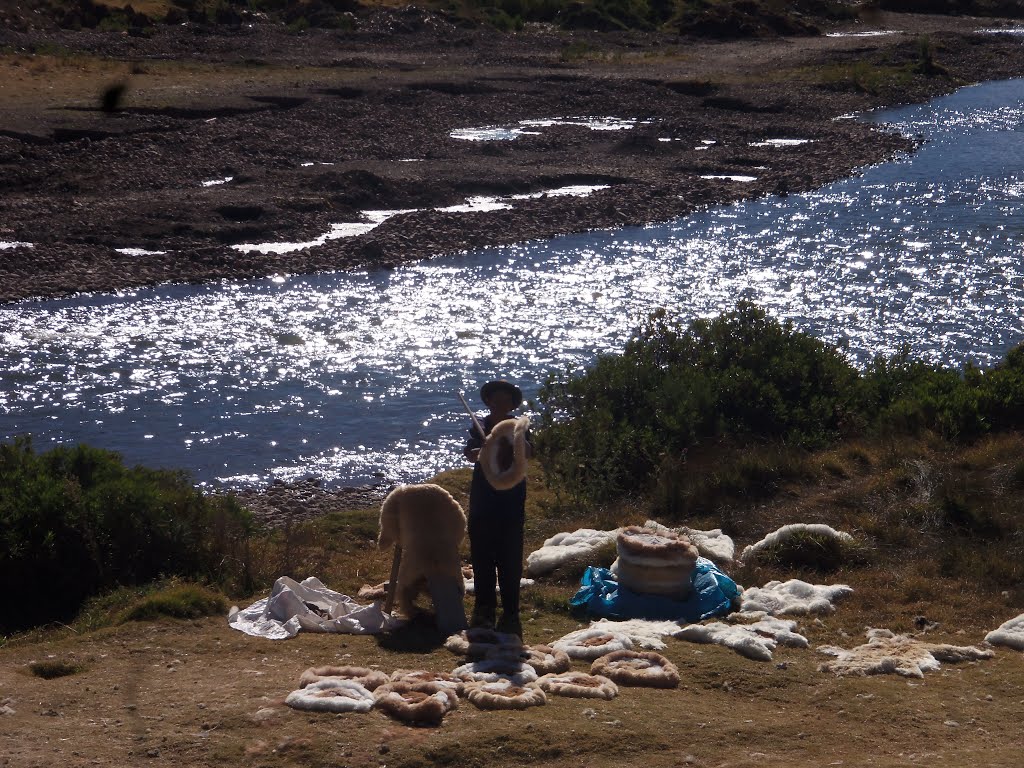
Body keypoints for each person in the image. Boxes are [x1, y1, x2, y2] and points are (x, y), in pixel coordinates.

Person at [462, 379, 533, 636]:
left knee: (510, 556)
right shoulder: (480, 425)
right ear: (489, 402)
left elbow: (529, 450)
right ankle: (484, 608)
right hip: (484, 499)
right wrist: (478, 450)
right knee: (482, 555)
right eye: (496, 399)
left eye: (505, 399)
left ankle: (511, 611)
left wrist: (521, 446)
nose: (500, 403)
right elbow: (470, 450)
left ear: (512, 404)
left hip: (512, 499)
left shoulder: (519, 427)